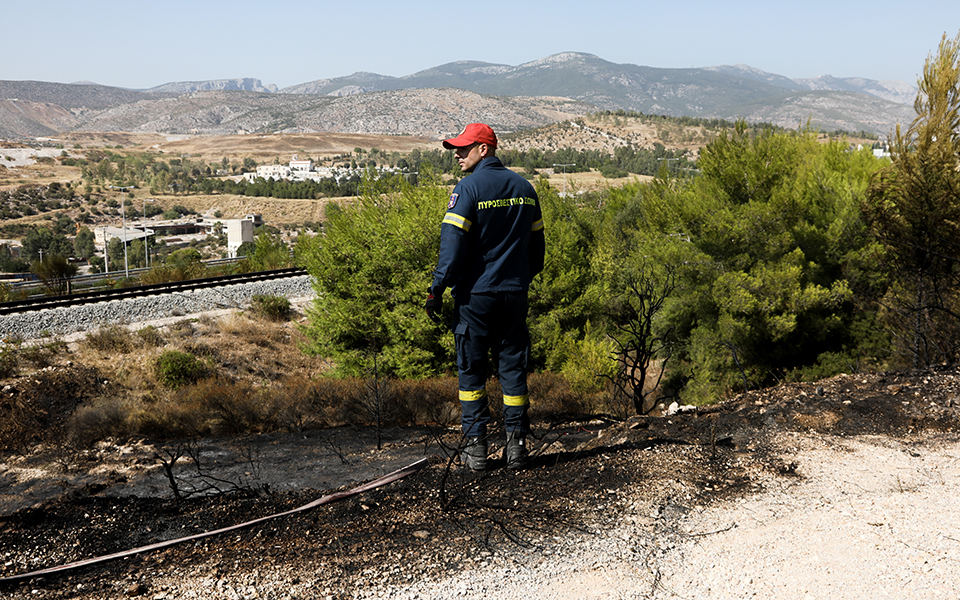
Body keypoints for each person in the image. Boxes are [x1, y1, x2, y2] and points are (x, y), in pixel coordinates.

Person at [424, 123, 545, 470]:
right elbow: (537, 250)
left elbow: (451, 248)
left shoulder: (468, 189)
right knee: (512, 371)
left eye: (464, 148)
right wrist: (519, 280)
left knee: (472, 374)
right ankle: (517, 448)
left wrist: (436, 289)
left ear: (484, 150)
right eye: (457, 149)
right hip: (514, 295)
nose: (457, 155)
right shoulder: (525, 188)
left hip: (475, 298)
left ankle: (476, 453)